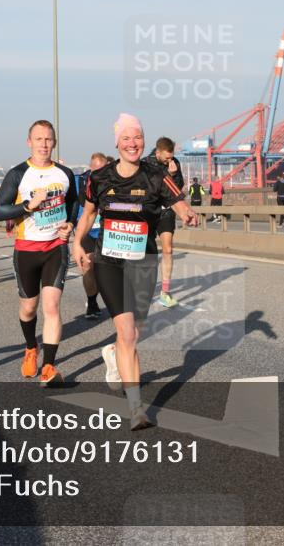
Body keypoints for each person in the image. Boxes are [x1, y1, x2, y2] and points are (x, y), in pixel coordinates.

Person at [72, 113, 198, 430]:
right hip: (109, 261)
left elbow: (179, 202)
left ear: (144, 141)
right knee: (127, 332)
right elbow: (88, 215)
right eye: (126, 138)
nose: (132, 143)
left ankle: (113, 353)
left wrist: (188, 214)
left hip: (144, 260)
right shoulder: (98, 178)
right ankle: (136, 410)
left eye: (138, 138)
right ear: (117, 142)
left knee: (136, 330)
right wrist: (77, 242)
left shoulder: (156, 174)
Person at [0, 120, 78, 388]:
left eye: (48, 139)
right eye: (38, 139)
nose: (44, 144)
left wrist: (70, 223)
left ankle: (49, 367)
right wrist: (28, 206)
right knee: (29, 308)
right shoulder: (18, 174)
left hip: (56, 248)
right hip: (27, 249)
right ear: (29, 141)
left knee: (51, 307)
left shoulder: (64, 173)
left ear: (54, 142)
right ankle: (31, 347)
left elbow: (74, 202)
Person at [143, 137, 184, 307]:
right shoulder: (145, 164)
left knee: (168, 249)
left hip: (166, 211)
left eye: (171, 157)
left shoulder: (174, 163)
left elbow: (178, 187)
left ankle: (165, 292)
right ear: (158, 152)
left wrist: (174, 174)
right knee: (148, 253)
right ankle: (142, 286)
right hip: (149, 211)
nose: (169, 161)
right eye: (166, 158)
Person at [76, 152, 109, 319]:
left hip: (107, 232)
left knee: (107, 271)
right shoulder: (82, 182)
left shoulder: (113, 181)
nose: (98, 173)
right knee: (88, 266)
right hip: (88, 231)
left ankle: (113, 302)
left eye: (102, 170)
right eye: (95, 170)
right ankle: (92, 302)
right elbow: (78, 204)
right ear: (90, 168)